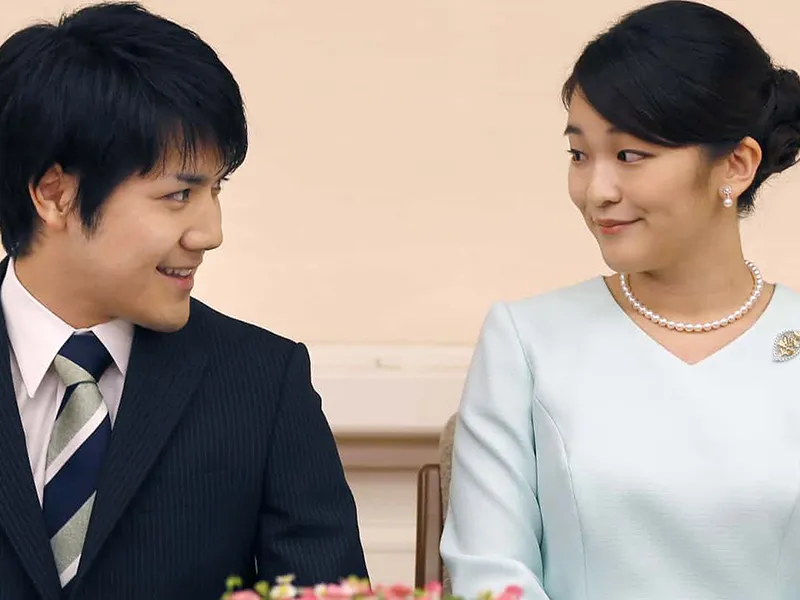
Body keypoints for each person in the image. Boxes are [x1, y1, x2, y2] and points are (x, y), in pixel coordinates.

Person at [0, 3, 368, 599]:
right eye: (179, 194)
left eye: (215, 189)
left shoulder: (263, 383)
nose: (210, 233)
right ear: (55, 194)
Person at [440, 1, 800, 599]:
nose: (596, 191)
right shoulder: (526, 342)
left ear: (736, 165)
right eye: (579, 155)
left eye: (630, 155)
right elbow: (490, 574)